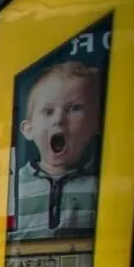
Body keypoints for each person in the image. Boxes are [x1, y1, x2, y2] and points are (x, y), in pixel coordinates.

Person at [14, 60, 102, 239]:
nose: (58, 119)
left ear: (97, 125)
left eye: (73, 109)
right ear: (28, 129)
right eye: (48, 111)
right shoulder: (14, 187)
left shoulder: (99, 187)